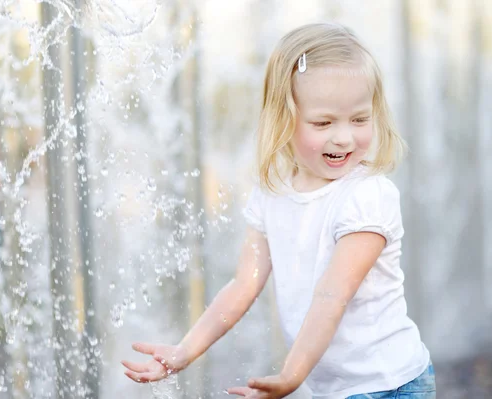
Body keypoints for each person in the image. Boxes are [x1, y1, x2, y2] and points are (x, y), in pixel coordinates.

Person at [121, 22, 435, 399]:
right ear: (284, 120)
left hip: (389, 385)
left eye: (359, 119)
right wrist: (185, 350)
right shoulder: (272, 194)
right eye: (323, 122)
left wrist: (291, 377)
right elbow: (243, 285)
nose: (344, 136)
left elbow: (332, 296)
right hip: (335, 389)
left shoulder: (367, 196)